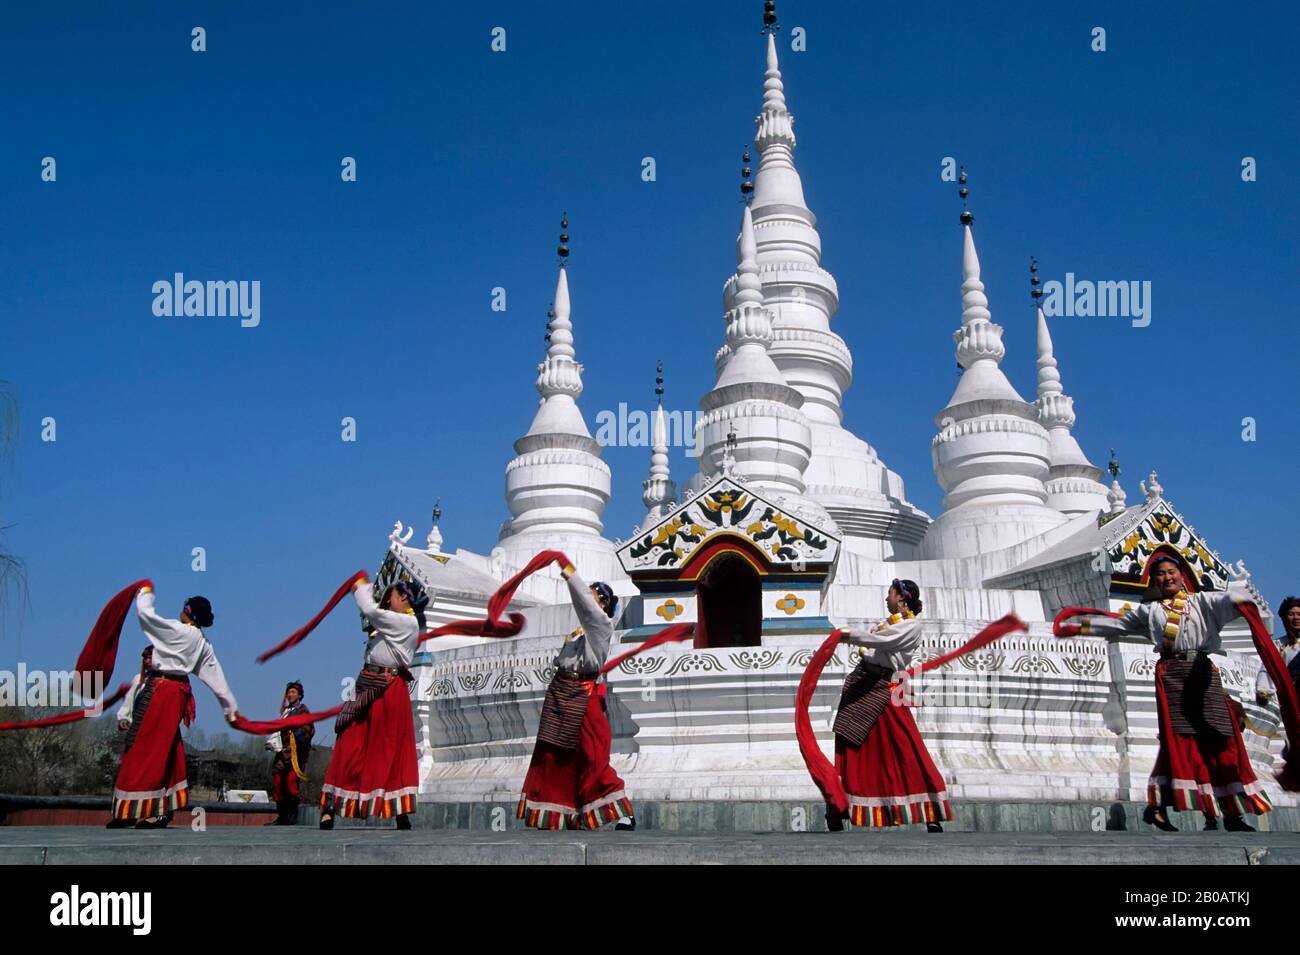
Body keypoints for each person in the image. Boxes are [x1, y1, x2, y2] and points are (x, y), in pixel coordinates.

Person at [1068, 550, 1269, 832]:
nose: (1166, 578)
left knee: (1221, 741)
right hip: (1173, 675)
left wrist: (1238, 595)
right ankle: (1182, 810)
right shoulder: (1151, 612)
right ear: (1154, 582)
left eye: (1171, 572)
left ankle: (1229, 813)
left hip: (1203, 673)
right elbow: (1118, 624)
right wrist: (1078, 626)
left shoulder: (1203, 602)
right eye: (1160, 574)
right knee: (1181, 743)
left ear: (1183, 576)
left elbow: (1228, 602)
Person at [108, 587, 240, 829]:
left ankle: (144, 809)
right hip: (170, 691)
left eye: (184, 606)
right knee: (164, 746)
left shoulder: (180, 631)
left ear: (189, 612)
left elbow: (147, 618)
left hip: (163, 691)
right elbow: (217, 680)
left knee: (147, 746)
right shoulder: (203, 643)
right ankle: (151, 808)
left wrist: (145, 592)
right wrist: (231, 710)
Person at [826, 579, 952, 833]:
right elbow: (873, 644)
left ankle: (930, 810)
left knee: (905, 748)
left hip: (884, 691)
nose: (887, 599)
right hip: (864, 686)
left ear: (902, 599)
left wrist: (845, 634)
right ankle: (840, 808)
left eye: (890, 595)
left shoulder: (910, 626)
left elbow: (878, 643)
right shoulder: (890, 623)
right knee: (851, 744)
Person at [517, 563, 634, 830]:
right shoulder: (579, 632)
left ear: (602, 603)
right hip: (562, 692)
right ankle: (566, 812)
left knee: (593, 755)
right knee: (556, 754)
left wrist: (568, 571)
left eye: (592, 593)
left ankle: (622, 811)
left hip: (585, 696)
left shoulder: (602, 626)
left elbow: (586, 606)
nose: (586, 596)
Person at [318, 577, 422, 831]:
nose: (390, 601)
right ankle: (329, 807)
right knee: (348, 741)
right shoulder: (388, 623)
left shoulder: (406, 623)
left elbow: (369, 610)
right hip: (365, 681)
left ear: (405, 599)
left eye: (393, 597)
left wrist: (361, 587)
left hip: (389, 688)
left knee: (391, 748)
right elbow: (371, 616)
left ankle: (399, 811)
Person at [266, 680, 313, 826]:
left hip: (295, 754)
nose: (290, 695)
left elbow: (308, 730)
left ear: (299, 695)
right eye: (288, 692)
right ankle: (282, 817)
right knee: (278, 783)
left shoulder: (303, 710)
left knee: (292, 784)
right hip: (281, 754)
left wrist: (295, 737)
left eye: (293, 692)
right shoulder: (285, 712)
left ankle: (292, 818)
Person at [1256, 596, 1300, 706]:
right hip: (1292, 700)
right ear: (1284, 618)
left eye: (1299, 614)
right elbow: (1268, 668)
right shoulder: (1278, 645)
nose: (1296, 618)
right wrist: (1263, 690)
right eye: (1291, 614)